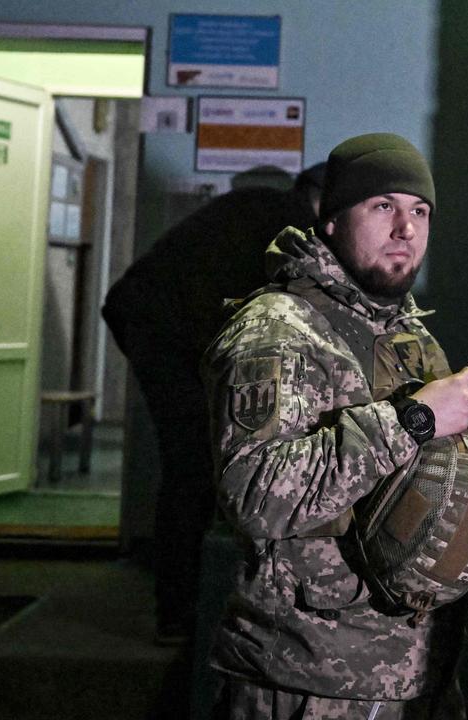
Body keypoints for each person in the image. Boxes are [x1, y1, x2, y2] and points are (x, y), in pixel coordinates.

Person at [201, 133, 468, 719]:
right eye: (383, 206)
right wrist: (411, 420)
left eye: (419, 211)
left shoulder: (401, 329)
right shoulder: (280, 332)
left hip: (406, 669)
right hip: (308, 679)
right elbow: (256, 493)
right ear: (331, 221)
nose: (405, 229)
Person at [102, 161, 325, 643]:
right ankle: (178, 613)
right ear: (322, 199)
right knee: (193, 470)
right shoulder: (292, 226)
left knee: (196, 467)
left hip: (156, 326)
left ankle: (181, 608)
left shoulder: (259, 207)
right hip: (170, 337)